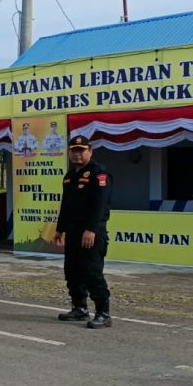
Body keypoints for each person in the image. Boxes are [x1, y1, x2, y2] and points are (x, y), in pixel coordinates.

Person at [55, 135, 112, 328]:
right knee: (72, 271)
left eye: (81, 150)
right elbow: (66, 205)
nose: (77, 153)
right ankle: (80, 308)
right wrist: (60, 229)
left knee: (92, 272)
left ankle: (103, 313)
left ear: (90, 151)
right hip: (72, 231)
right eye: (74, 150)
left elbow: (100, 205)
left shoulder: (98, 173)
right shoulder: (70, 175)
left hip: (91, 233)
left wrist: (91, 229)